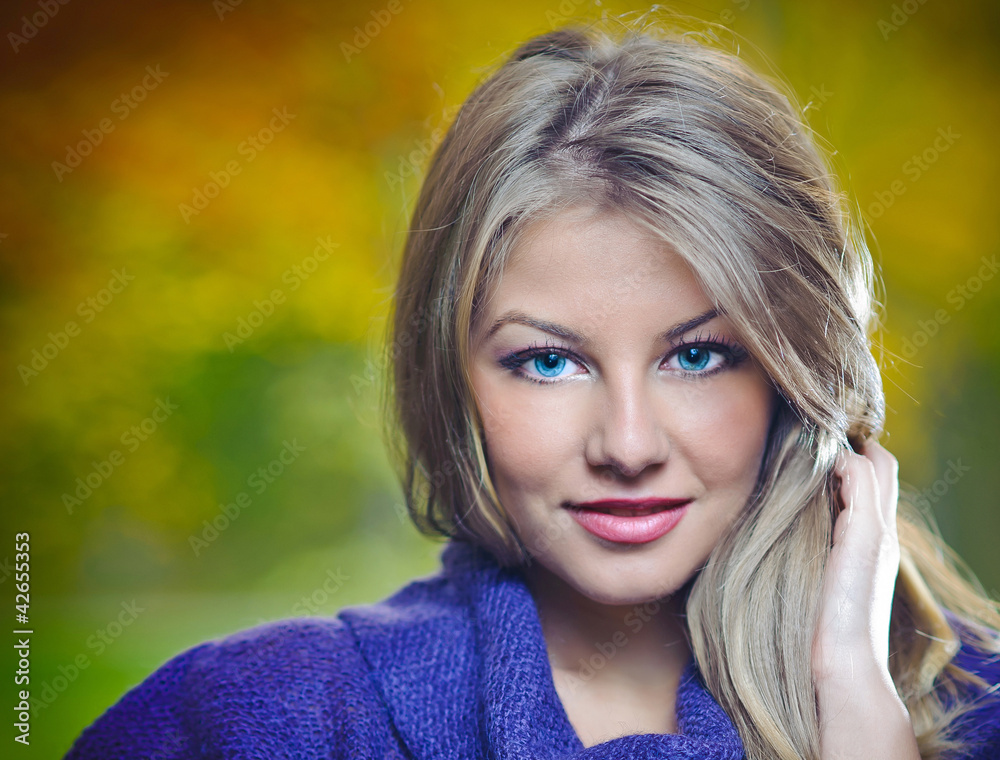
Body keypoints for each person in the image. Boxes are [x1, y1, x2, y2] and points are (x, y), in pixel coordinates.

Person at [65, 17, 1000, 760]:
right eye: (549, 362)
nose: (627, 445)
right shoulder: (256, 722)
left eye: (699, 355)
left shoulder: (976, 711)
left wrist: (858, 703)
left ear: (798, 376)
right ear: (451, 372)